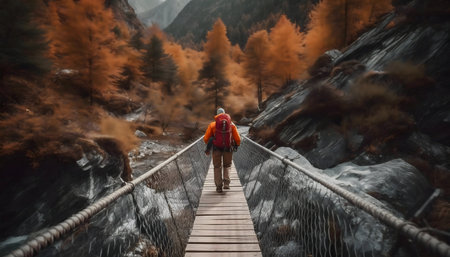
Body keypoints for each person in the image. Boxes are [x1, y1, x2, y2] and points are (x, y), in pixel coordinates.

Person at [204, 108, 241, 193]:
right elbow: (238, 139)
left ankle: (219, 187)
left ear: (217, 115)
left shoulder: (213, 124)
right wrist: (236, 145)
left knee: (217, 166)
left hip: (216, 148)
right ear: (225, 114)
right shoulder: (231, 125)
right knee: (227, 165)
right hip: (228, 148)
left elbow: (206, 139)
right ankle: (226, 183)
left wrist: (212, 141)